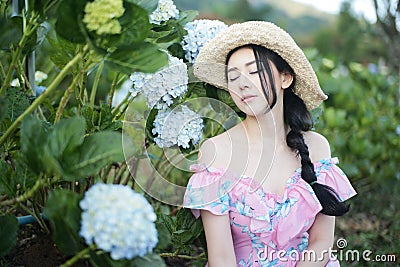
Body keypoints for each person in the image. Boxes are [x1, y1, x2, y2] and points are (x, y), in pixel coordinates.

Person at [183, 21, 357, 267]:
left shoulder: (316, 148)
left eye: (254, 72)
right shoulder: (216, 151)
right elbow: (221, 258)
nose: (242, 84)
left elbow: (321, 243)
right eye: (233, 76)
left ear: (285, 78)